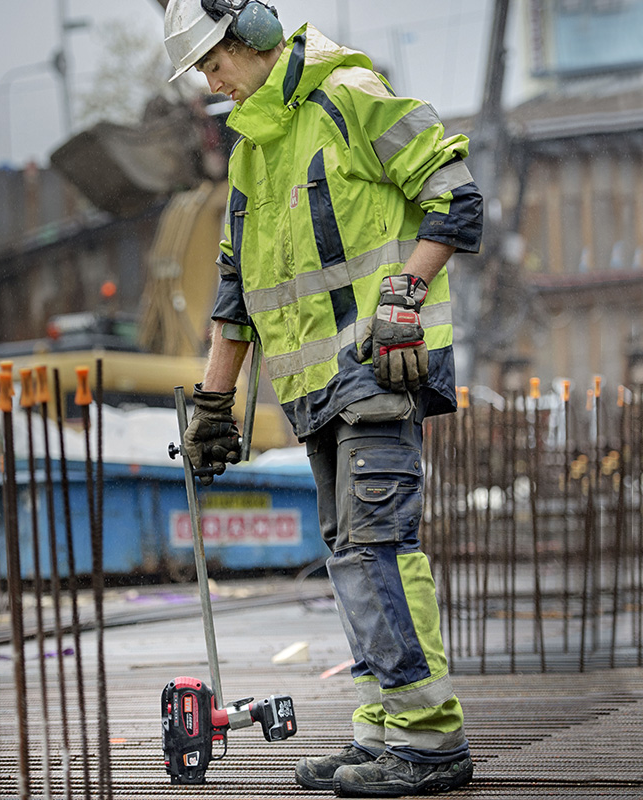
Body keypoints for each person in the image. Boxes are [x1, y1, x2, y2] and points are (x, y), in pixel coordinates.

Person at [164, 1, 484, 796]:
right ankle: (383, 732)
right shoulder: (250, 156)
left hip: (379, 373)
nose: (214, 83)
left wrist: (406, 289)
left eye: (215, 63)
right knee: (349, 557)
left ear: (256, 39)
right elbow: (234, 297)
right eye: (203, 71)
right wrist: (211, 405)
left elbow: (454, 191)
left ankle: (431, 743)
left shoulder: (349, 98)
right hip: (312, 394)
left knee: (378, 548)